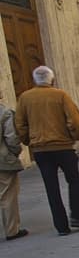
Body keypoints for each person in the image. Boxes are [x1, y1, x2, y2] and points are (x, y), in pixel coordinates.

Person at [15, 66, 79, 236]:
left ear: (35, 80)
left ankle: (61, 226)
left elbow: (19, 124)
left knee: (51, 187)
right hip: (63, 147)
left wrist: (29, 140)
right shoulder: (60, 95)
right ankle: (78, 217)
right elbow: (75, 120)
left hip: (41, 150)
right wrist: (74, 136)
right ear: (52, 80)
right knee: (73, 180)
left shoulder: (24, 98)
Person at [0, 94, 27, 240]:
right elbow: (11, 137)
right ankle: (12, 230)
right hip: (3, 161)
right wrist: (15, 152)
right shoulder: (4, 113)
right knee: (8, 195)